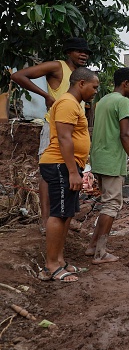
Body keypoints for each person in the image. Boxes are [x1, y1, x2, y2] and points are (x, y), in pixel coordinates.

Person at [10, 37, 92, 233]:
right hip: (55, 127)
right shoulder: (57, 67)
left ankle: (64, 217)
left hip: (72, 127)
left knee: (70, 172)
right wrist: (46, 95)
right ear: (68, 52)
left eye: (86, 53)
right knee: (49, 173)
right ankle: (45, 220)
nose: (83, 55)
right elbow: (19, 76)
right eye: (78, 51)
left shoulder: (81, 76)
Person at [38, 67, 99, 282]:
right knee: (59, 213)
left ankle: (59, 260)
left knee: (66, 214)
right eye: (94, 86)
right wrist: (73, 172)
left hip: (68, 165)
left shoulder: (74, 104)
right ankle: (51, 266)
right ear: (81, 84)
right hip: (60, 164)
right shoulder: (66, 103)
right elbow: (64, 139)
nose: (95, 91)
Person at [85, 67, 129, 264]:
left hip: (98, 158)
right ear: (125, 83)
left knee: (106, 203)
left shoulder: (103, 101)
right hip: (111, 160)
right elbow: (125, 134)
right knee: (112, 205)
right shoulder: (124, 101)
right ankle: (100, 252)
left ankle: (93, 245)